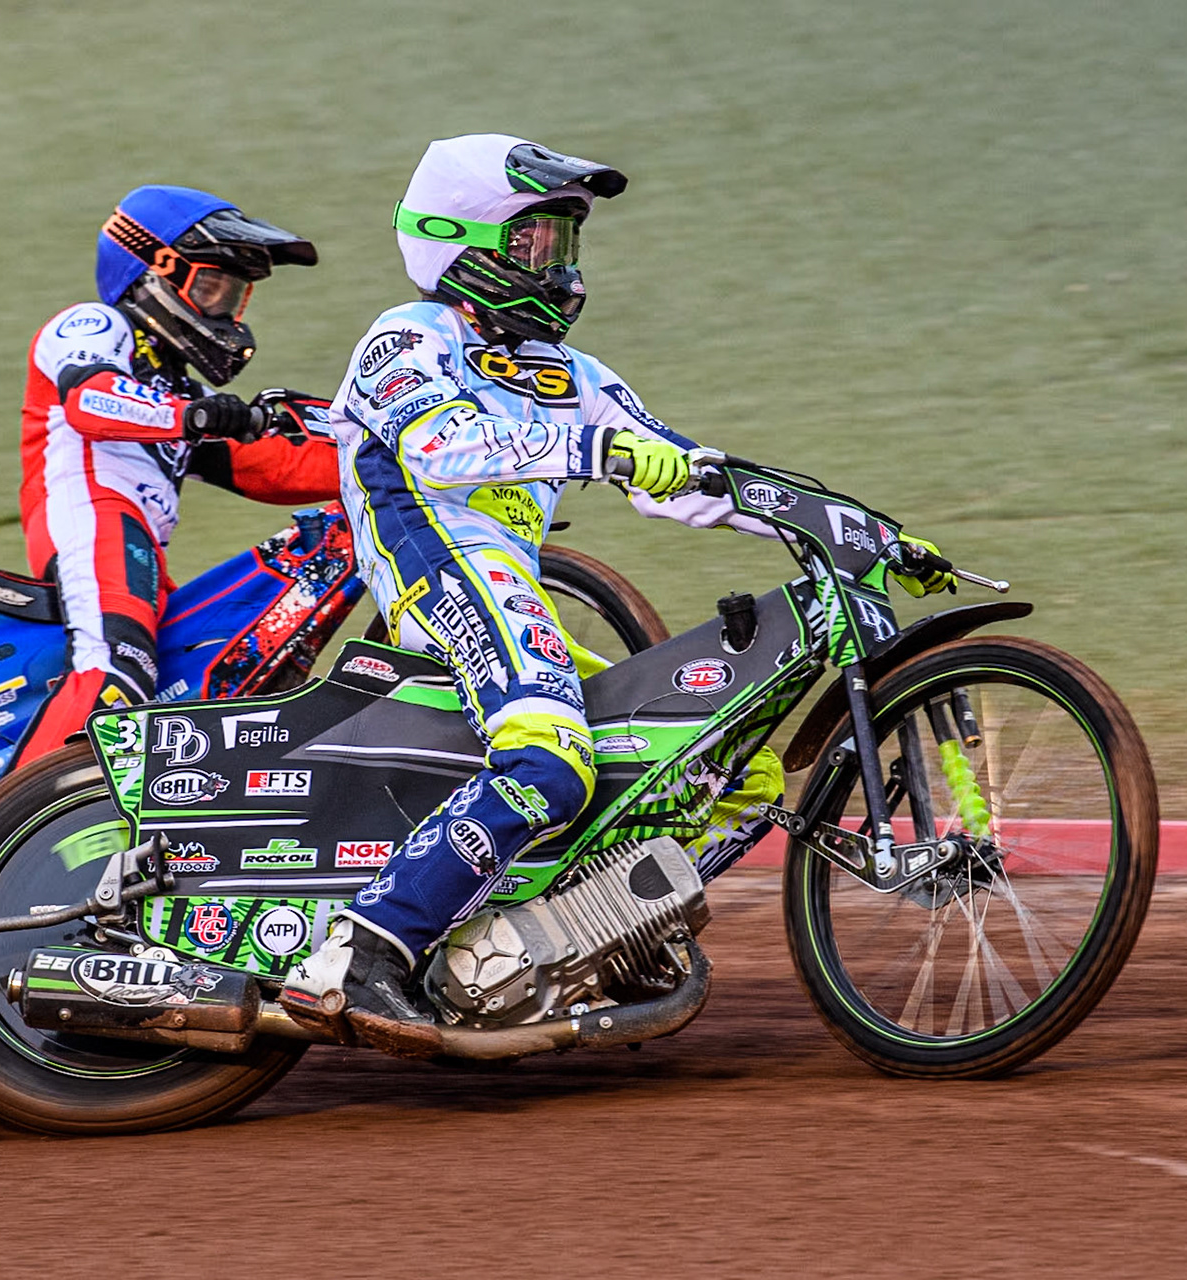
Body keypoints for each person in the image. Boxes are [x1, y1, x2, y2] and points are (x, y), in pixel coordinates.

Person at [281, 134, 954, 1055]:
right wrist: (598, 451)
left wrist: (861, 529)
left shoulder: (576, 376)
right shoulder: (409, 336)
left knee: (727, 766)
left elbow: (690, 476)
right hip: (437, 563)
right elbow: (440, 447)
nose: (559, 267)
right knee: (550, 760)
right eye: (535, 244)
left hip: (508, 586)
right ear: (462, 241)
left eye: (565, 245)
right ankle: (364, 949)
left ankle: (568, 935)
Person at [15, 185, 342, 764]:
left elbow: (269, 468)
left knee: (178, 700)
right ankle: (4, 824)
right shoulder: (93, 323)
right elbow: (89, 399)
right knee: (118, 669)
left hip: (139, 547)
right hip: (92, 515)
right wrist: (192, 416)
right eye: (210, 285)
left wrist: (405, 468)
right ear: (152, 270)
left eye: (232, 293)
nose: (223, 307)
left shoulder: (179, 393)